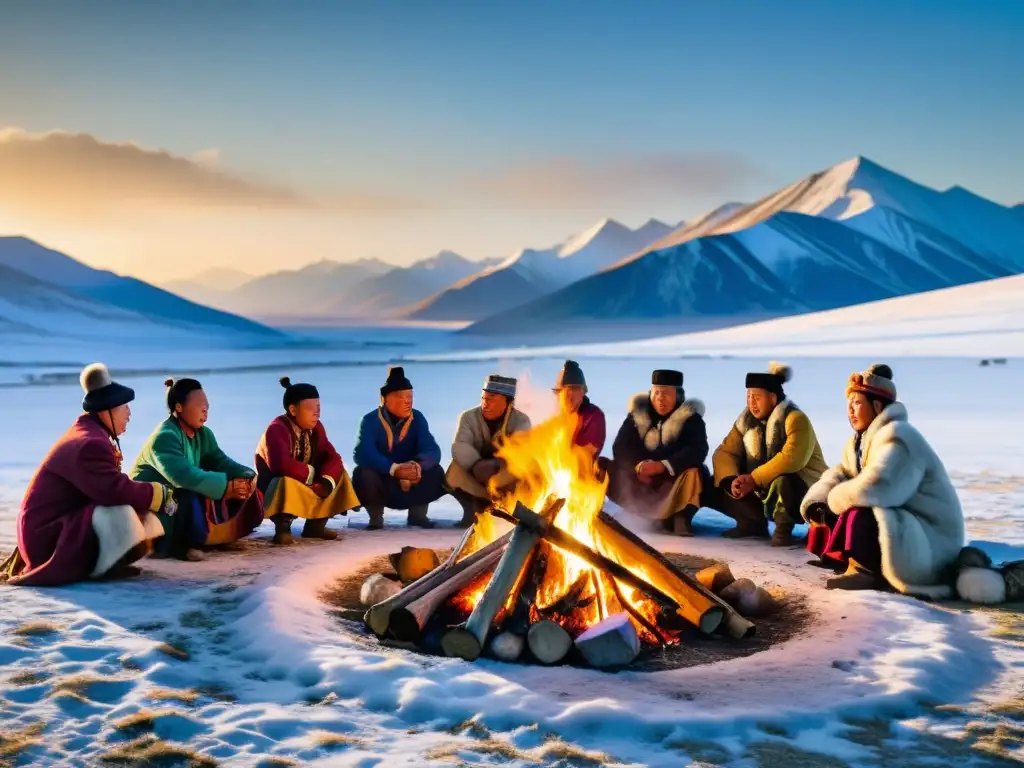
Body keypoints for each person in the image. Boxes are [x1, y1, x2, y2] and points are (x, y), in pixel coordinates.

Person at [1, 363, 174, 586]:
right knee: (120, 513)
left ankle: (104, 563)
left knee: (135, 512)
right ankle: (95, 568)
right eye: (124, 407)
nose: (129, 414)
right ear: (107, 410)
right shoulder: (89, 444)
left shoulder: (91, 434)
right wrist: (157, 493)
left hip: (48, 529)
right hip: (45, 539)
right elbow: (114, 490)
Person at [801, 364, 965, 594]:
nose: (850, 410)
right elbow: (843, 473)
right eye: (848, 404)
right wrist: (820, 499)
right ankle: (843, 559)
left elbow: (880, 487)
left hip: (929, 541)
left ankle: (865, 571)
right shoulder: (860, 441)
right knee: (831, 504)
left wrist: (836, 498)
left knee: (860, 508)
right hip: (909, 530)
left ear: (877, 406)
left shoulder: (899, 436)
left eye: (857, 403)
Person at [131, 378, 263, 561]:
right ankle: (184, 546)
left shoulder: (204, 434)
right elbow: (183, 476)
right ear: (179, 407)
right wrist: (227, 488)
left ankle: (221, 535)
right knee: (189, 494)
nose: (205, 411)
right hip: (155, 501)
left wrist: (247, 476)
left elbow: (220, 461)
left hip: (183, 491)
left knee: (244, 489)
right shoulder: (165, 436)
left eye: (207, 406)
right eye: (200, 406)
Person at [707, 362, 827, 545]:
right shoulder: (745, 422)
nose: (751, 403)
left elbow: (792, 458)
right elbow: (725, 452)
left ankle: (783, 529)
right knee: (715, 482)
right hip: (761, 488)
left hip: (804, 489)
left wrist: (753, 479)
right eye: (748, 397)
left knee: (783, 481)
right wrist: (732, 480)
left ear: (772, 398)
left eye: (756, 397)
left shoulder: (795, 419)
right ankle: (751, 523)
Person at [255, 377, 360, 545]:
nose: (316, 413)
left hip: (307, 482)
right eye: (311, 408)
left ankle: (315, 525)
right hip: (274, 486)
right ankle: (282, 528)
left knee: (339, 475)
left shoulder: (316, 427)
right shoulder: (276, 429)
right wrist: (311, 474)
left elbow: (332, 456)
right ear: (293, 410)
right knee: (284, 483)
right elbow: (280, 465)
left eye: (318, 408)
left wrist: (326, 482)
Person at [607, 369, 709, 536]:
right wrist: (638, 465)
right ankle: (638, 513)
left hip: (673, 481)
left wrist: (663, 466)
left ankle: (680, 517)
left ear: (678, 396)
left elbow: (697, 450)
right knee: (604, 466)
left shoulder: (691, 419)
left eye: (667, 394)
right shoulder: (637, 416)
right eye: (657, 393)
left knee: (695, 473)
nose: (661, 399)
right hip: (642, 481)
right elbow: (621, 447)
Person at [353, 366, 447, 529]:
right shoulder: (370, 420)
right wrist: (393, 468)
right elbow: (362, 452)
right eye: (399, 396)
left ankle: (418, 515)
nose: (407, 401)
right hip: (384, 479)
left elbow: (432, 450)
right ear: (384, 399)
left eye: (410, 396)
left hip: (412, 479)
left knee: (435, 470)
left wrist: (417, 466)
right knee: (363, 473)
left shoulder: (417, 418)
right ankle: (375, 518)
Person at [446, 374, 532, 528]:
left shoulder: (521, 421)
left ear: (507, 402)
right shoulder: (468, 417)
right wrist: (476, 464)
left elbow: (521, 451)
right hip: (475, 474)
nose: (485, 404)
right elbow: (461, 445)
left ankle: (511, 514)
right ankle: (472, 512)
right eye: (484, 398)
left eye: (491, 399)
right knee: (455, 470)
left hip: (504, 476)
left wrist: (497, 464)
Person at [553, 360, 606, 457]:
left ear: (582, 392)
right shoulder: (554, 418)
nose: (566, 397)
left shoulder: (594, 416)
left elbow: (589, 452)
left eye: (571, 391)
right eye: (561, 392)